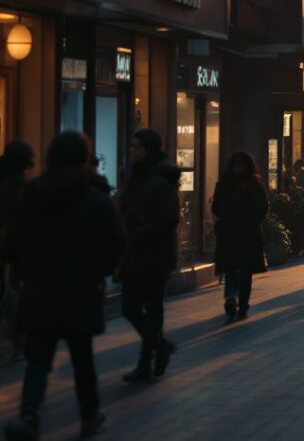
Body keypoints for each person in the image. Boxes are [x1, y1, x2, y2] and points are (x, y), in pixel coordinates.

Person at [2, 133, 124, 440]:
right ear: (83, 158)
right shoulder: (95, 198)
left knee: (38, 358)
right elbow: (116, 242)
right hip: (81, 290)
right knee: (82, 357)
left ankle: (30, 416)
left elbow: (12, 243)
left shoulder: (33, 195)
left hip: (40, 288)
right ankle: (89, 415)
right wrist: (100, 271)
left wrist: (23, 270)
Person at [118, 128, 181, 384]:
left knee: (152, 309)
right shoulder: (136, 176)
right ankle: (160, 346)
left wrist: (139, 232)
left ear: (150, 150)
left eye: (138, 148)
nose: (133, 152)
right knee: (130, 307)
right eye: (132, 147)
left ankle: (146, 362)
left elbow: (169, 218)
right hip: (135, 253)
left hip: (154, 254)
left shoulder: (160, 179)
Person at [211, 151, 269, 321]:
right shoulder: (253, 183)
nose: (238, 168)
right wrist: (253, 220)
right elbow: (263, 207)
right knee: (242, 269)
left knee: (236, 268)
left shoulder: (225, 183)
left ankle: (235, 299)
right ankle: (238, 302)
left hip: (234, 231)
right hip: (244, 232)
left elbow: (215, 207)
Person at [0, 140, 34, 361]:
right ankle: (19, 342)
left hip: (9, 242)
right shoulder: (21, 186)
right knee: (15, 293)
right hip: (15, 245)